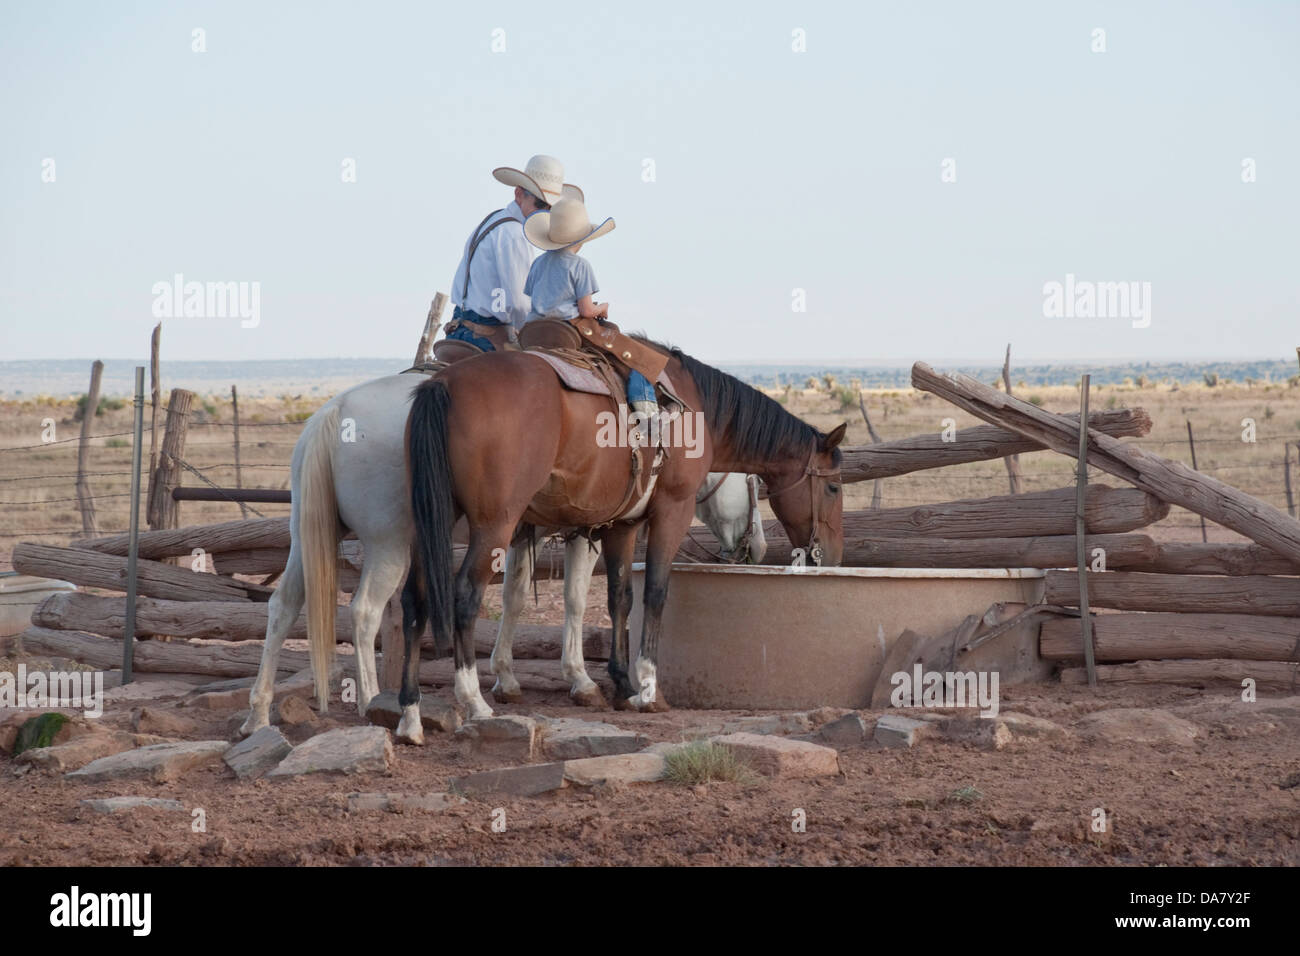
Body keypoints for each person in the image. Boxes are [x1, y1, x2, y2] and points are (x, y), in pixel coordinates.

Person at [522, 197, 659, 444]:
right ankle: (647, 417)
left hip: (534, 330)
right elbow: (586, 310)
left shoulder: (539, 262)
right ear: (582, 240)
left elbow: (534, 297)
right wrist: (602, 307)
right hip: (569, 329)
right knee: (637, 356)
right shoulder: (580, 265)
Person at [444, 155, 583, 351]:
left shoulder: (495, 220)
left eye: (551, 209)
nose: (545, 214)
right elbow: (519, 303)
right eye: (540, 205)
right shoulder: (515, 234)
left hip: (460, 326)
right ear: (519, 194)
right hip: (487, 334)